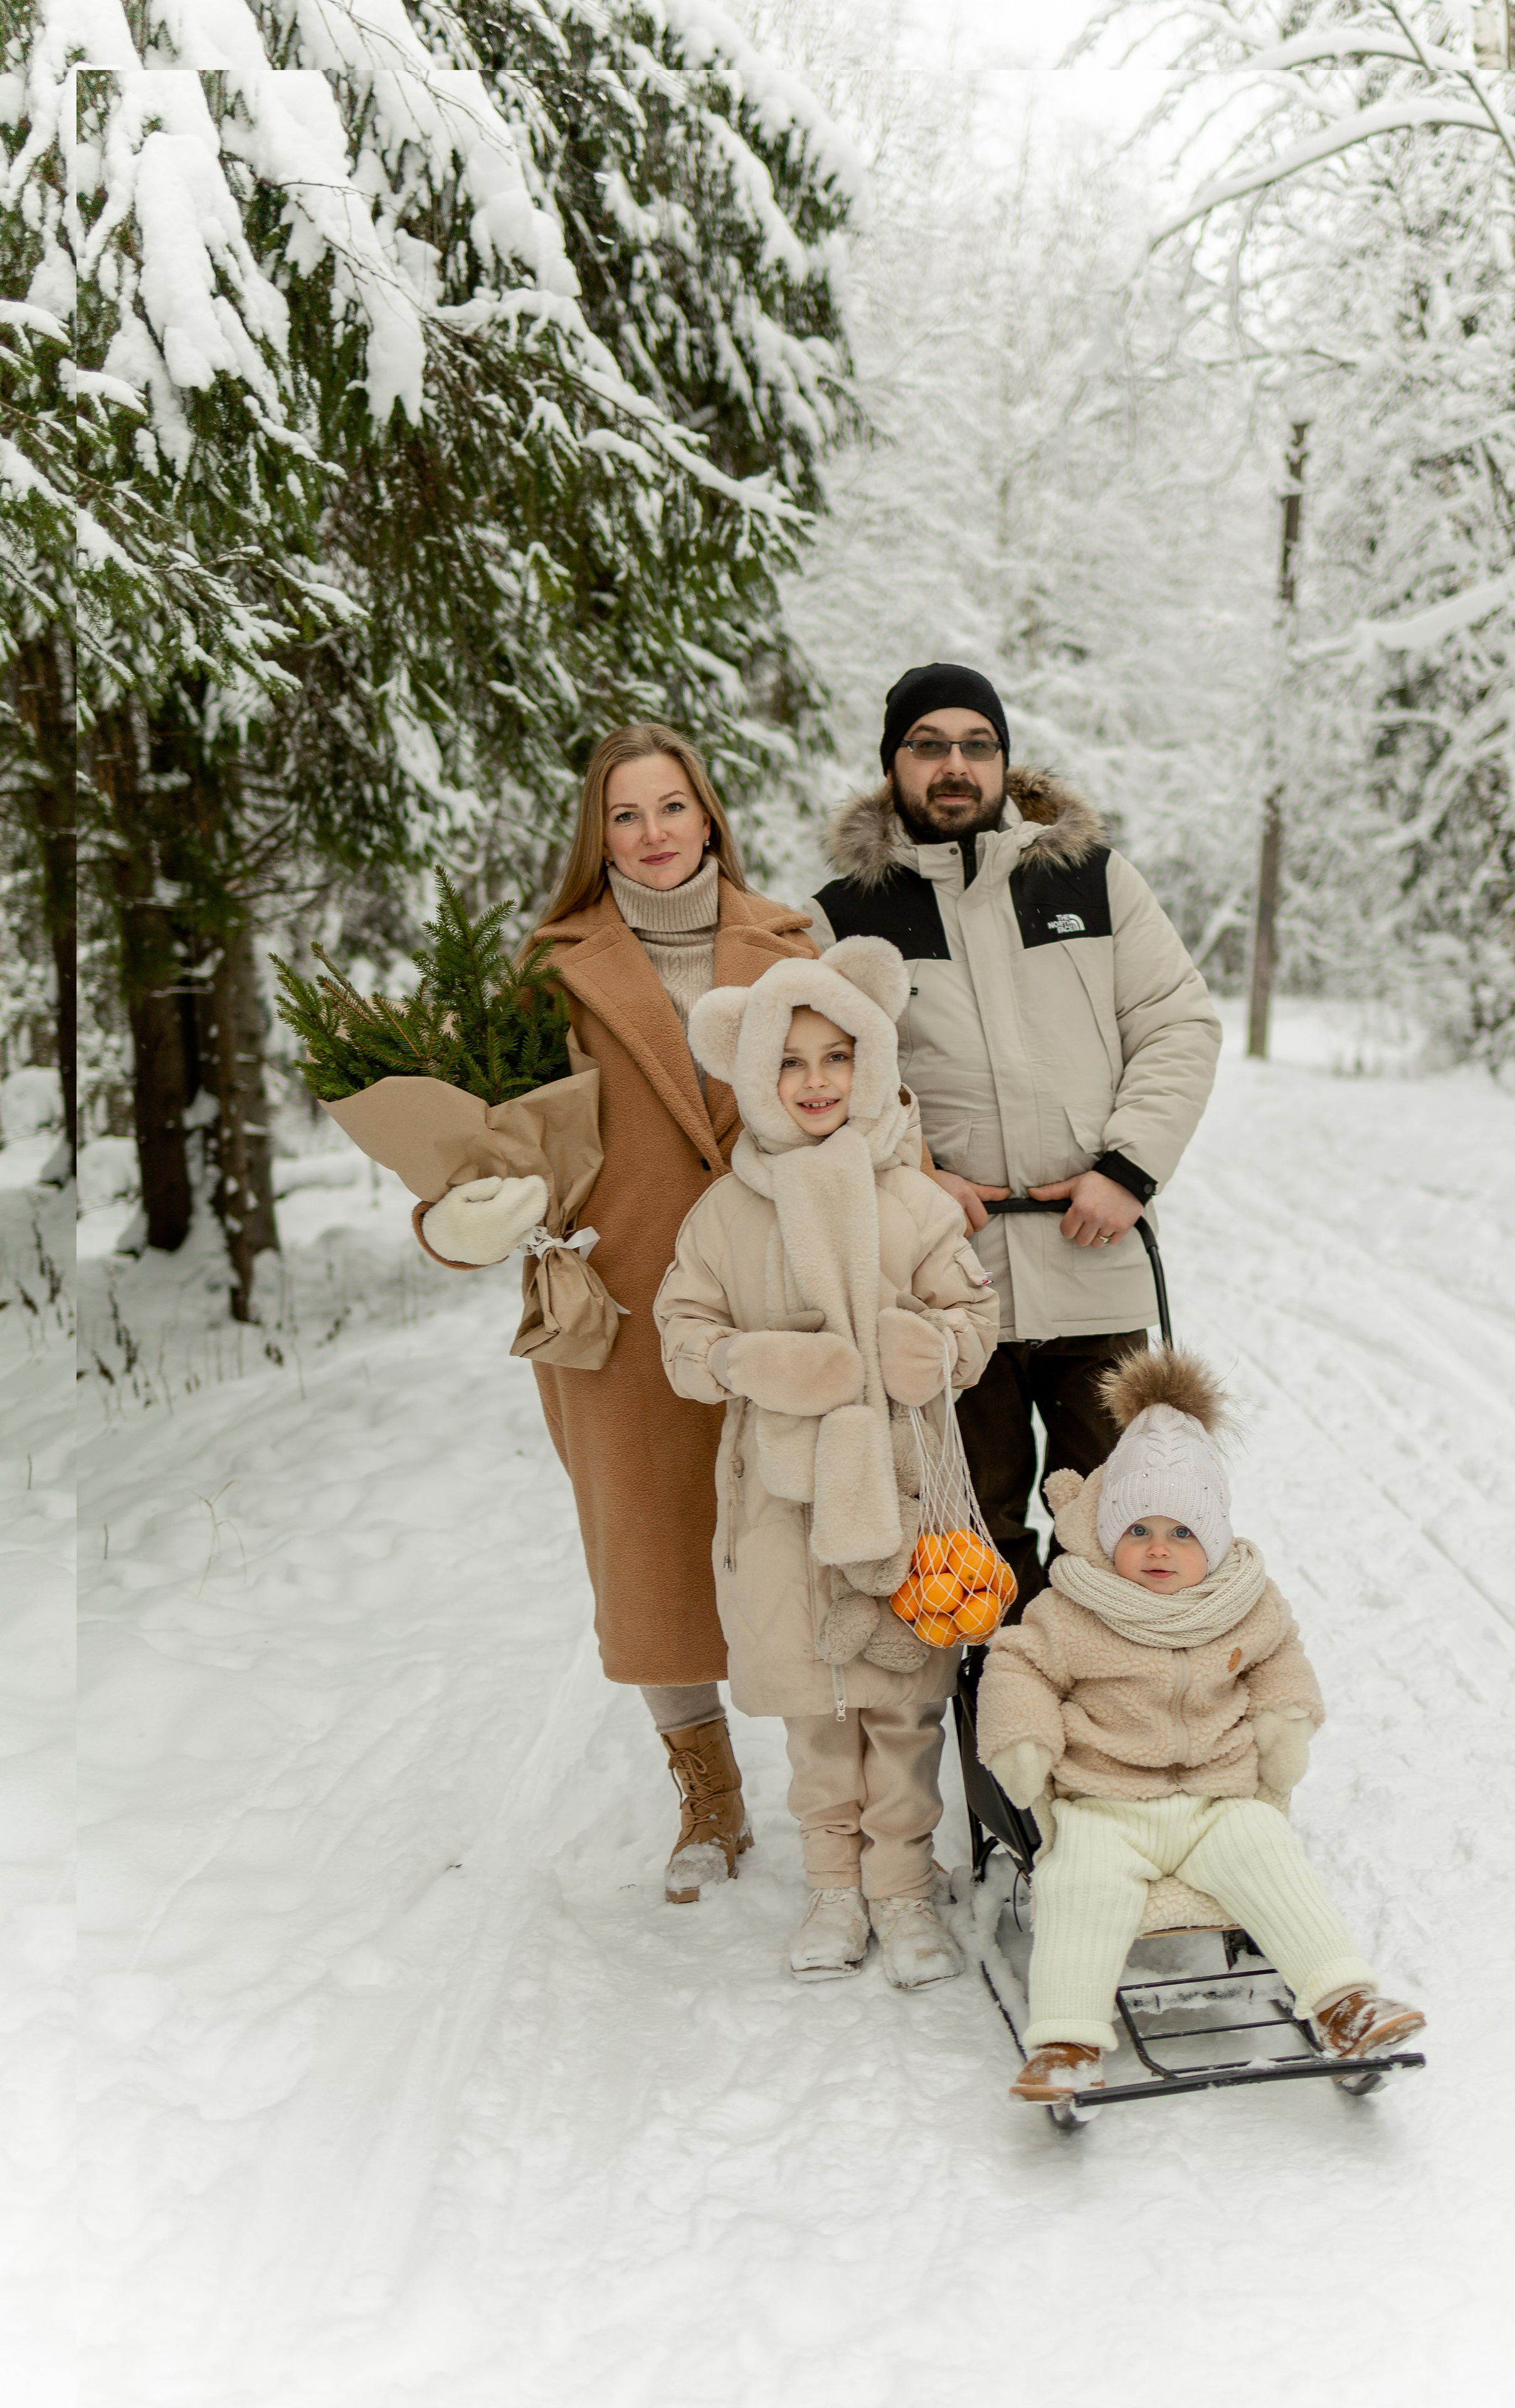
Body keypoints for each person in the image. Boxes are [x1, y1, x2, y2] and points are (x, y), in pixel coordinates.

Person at [416, 726, 815, 1904]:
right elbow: (481, 1146)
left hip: (780, 1287)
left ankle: (842, 1799)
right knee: (649, 1551)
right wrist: (466, 1216)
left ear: (710, 815)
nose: (652, 835)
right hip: (621, 1295)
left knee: (804, 1534)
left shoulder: (790, 942)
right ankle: (709, 1795)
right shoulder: (551, 969)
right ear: (599, 834)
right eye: (626, 816)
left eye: (672, 808)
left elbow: (860, 1091)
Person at [810, 663, 1221, 1608]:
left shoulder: (1095, 880)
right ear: (893, 764)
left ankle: (1117, 1743)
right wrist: (915, 1180)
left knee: (1126, 1526)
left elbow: (1177, 1024)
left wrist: (1127, 1168)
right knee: (972, 1539)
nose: (955, 765)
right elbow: (830, 1089)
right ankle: (1002, 1738)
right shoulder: (843, 917)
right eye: (929, 746)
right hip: (948, 1288)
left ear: (1002, 760)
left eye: (976, 745)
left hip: (1097, 1263)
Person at [654, 937, 1001, 1987]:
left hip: (903, 1494)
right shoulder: (727, 1211)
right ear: (753, 1074)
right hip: (785, 1501)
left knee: (902, 1705)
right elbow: (682, 1336)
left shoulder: (914, 1200)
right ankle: (833, 1884)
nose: (815, 1082)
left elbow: (971, 1315)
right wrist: (749, 1359)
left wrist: (937, 1349)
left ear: (874, 1061)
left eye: (836, 1057)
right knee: (819, 1706)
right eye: (790, 1062)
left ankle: (900, 1887)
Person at [976, 1348, 1427, 2104]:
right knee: (1077, 1883)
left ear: (1213, 1540)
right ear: (1107, 1534)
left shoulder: (1245, 1604)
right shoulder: (1073, 1607)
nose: (1159, 1549)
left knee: (1267, 1850)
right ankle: (1066, 2040)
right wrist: (1024, 1737)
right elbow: (1017, 1665)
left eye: (1183, 1533)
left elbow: (1280, 1659)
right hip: (1105, 1803)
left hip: (1218, 1802)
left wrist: (1285, 1718)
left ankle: (1343, 2002)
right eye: (1139, 1530)